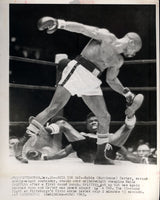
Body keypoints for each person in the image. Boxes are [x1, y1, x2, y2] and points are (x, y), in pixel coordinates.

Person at [14, 16, 144, 164]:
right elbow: (82, 28)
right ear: (132, 42)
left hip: (93, 81)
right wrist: (59, 24)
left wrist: (125, 92)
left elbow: (111, 80)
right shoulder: (107, 37)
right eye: (135, 50)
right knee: (54, 108)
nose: (133, 54)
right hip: (78, 70)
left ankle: (100, 156)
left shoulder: (118, 60)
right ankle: (21, 142)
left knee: (104, 117)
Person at [24, 113, 142, 164]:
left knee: (125, 128)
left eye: (96, 120)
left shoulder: (111, 136)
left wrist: (145, 160)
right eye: (91, 121)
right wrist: (44, 158)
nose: (94, 122)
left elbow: (127, 155)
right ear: (87, 124)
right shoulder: (82, 136)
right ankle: (47, 131)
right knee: (63, 123)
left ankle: (130, 121)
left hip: (106, 148)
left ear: (101, 123)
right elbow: (65, 152)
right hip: (86, 147)